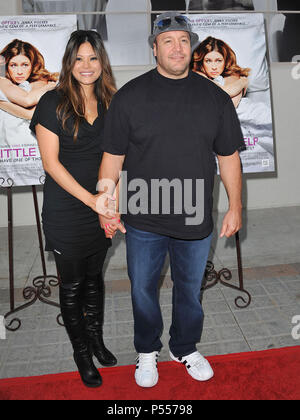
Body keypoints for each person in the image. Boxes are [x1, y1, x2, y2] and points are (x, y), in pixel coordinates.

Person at [97, 12, 244, 388]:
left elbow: (228, 156)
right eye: (167, 41)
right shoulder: (129, 97)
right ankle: (147, 350)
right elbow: (113, 156)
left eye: (183, 40)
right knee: (142, 289)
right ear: (154, 48)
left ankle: (184, 346)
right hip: (143, 215)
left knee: (190, 289)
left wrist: (236, 205)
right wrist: (106, 202)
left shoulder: (215, 97)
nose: (176, 48)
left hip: (195, 215)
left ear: (191, 46)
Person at [30, 30, 117, 388]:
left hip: (98, 205)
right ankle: (80, 352)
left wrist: (107, 204)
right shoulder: (52, 103)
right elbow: (51, 164)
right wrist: (91, 201)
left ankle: (95, 339)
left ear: (102, 62)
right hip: (66, 211)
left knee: (95, 278)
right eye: (79, 58)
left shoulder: (112, 101)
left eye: (93, 58)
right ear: (69, 62)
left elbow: (114, 158)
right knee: (73, 285)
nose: (86, 66)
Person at [0, 39, 58, 144]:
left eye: (25, 65)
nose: (19, 72)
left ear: (32, 65)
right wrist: (49, 87)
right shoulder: (2, 80)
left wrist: (3, 104)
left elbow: (32, 112)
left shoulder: (41, 80)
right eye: (13, 65)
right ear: (6, 66)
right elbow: (27, 101)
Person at [193, 36, 250, 108]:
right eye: (208, 61)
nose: (214, 67)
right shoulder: (196, 75)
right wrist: (243, 81)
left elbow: (231, 105)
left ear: (226, 61)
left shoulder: (231, 75)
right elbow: (224, 92)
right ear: (201, 62)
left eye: (218, 61)